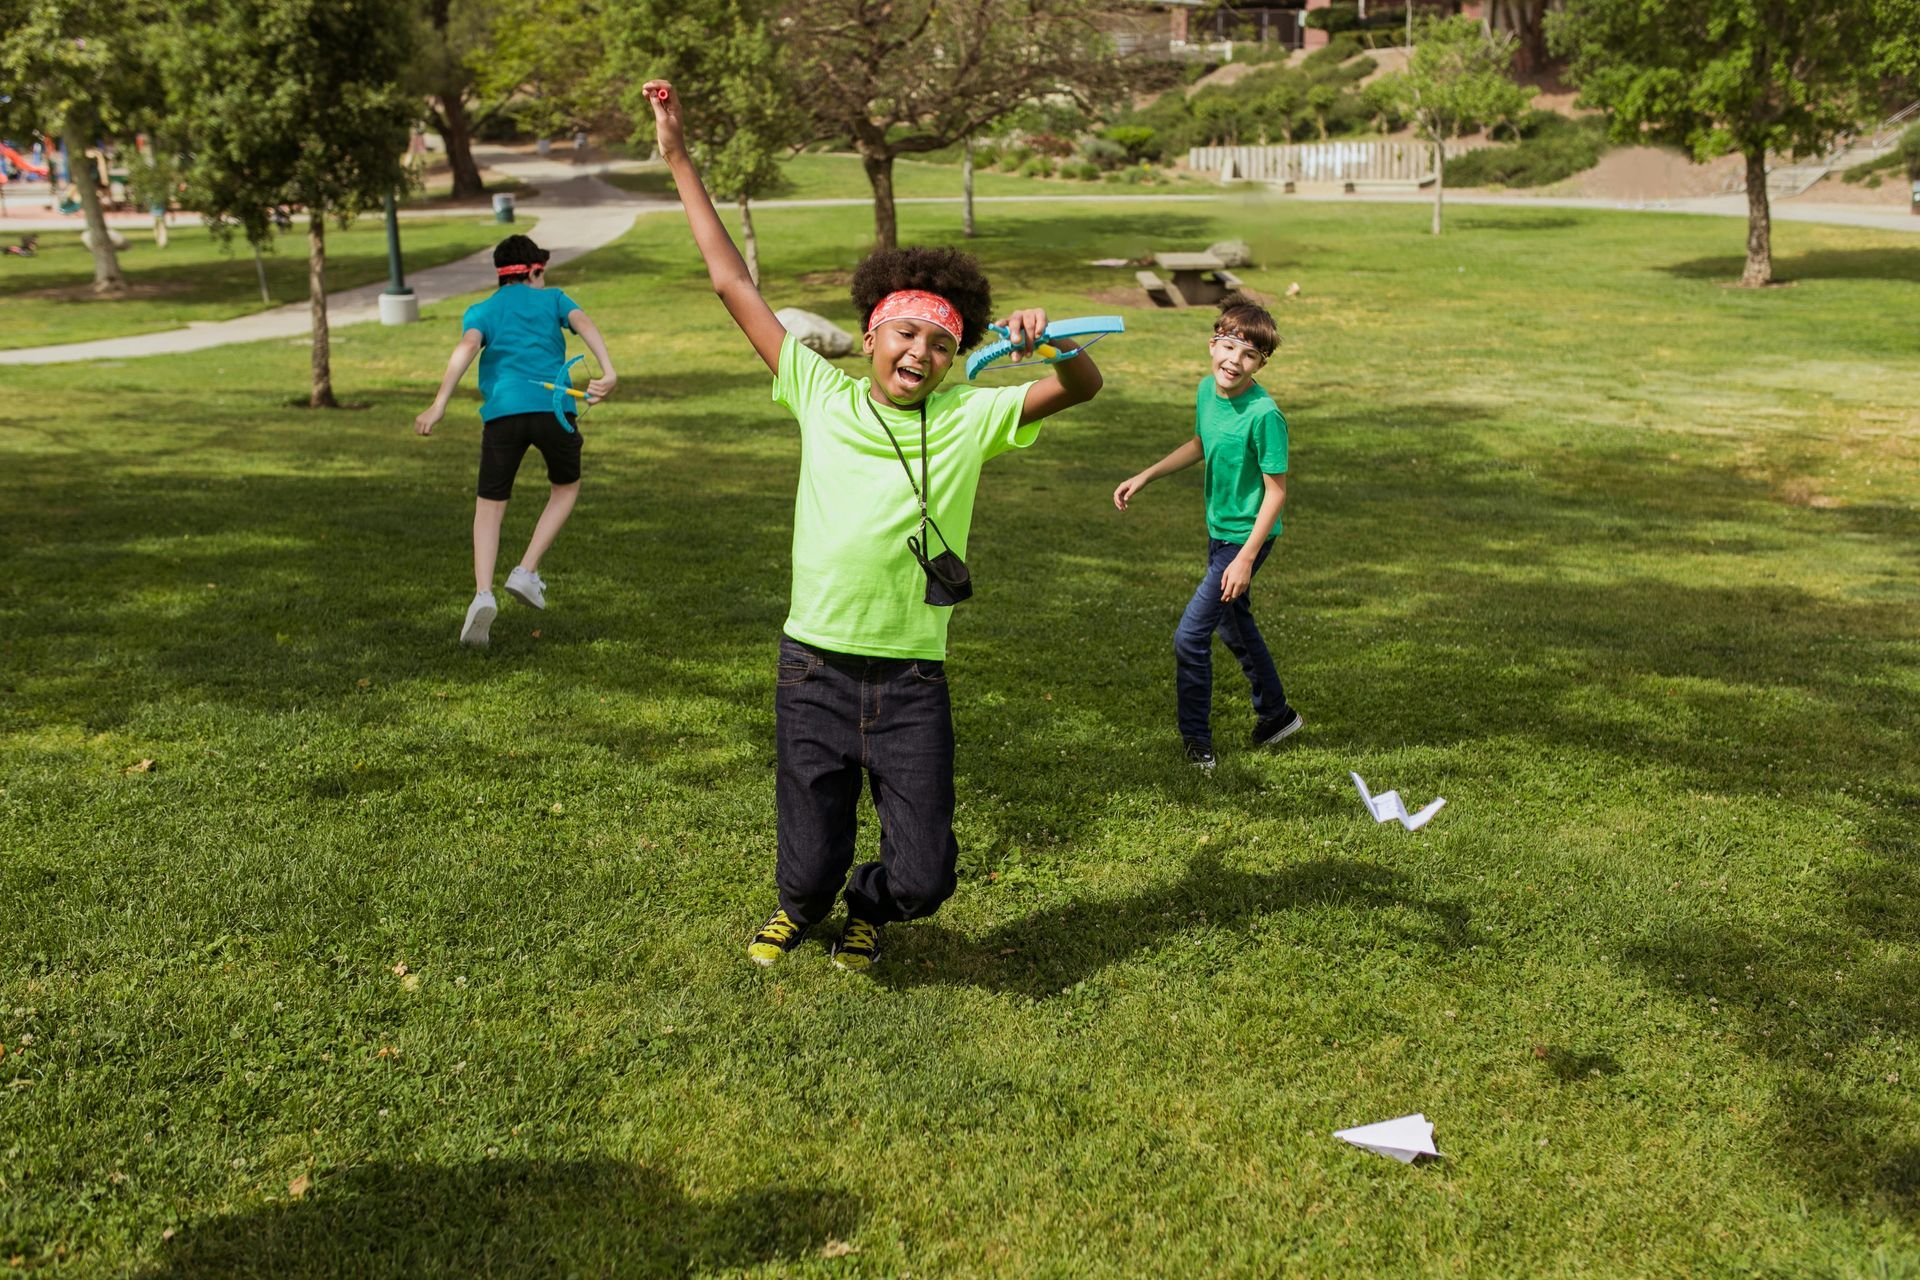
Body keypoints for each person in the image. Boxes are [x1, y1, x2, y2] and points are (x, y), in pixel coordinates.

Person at [643, 79, 1106, 972]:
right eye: (904, 334)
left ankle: (873, 904)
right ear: (867, 337)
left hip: (910, 677)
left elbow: (1080, 389)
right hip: (812, 665)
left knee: (926, 877)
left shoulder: (971, 415)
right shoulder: (816, 391)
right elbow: (731, 280)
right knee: (807, 860)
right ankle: (803, 906)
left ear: (956, 357)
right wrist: (676, 155)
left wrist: (1057, 342)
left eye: (941, 343)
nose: (919, 353)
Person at [1113, 296, 1299, 771]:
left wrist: (1245, 558)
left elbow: (1275, 493)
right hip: (1219, 531)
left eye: (1250, 354)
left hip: (1245, 540)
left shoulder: (1265, 415)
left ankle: (1197, 742)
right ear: (1212, 345)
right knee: (1233, 623)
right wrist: (1146, 475)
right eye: (1229, 347)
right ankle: (1276, 715)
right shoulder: (1206, 391)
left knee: (1189, 638)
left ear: (1261, 363)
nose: (1235, 360)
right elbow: (1201, 442)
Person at [413, 234, 616, 647]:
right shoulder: (554, 298)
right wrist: (608, 370)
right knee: (565, 488)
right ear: (535, 270)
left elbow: (467, 347)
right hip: (554, 411)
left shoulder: (483, 310)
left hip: (503, 414)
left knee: (490, 506)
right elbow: (584, 323)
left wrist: (439, 404)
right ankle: (526, 570)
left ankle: (482, 594)